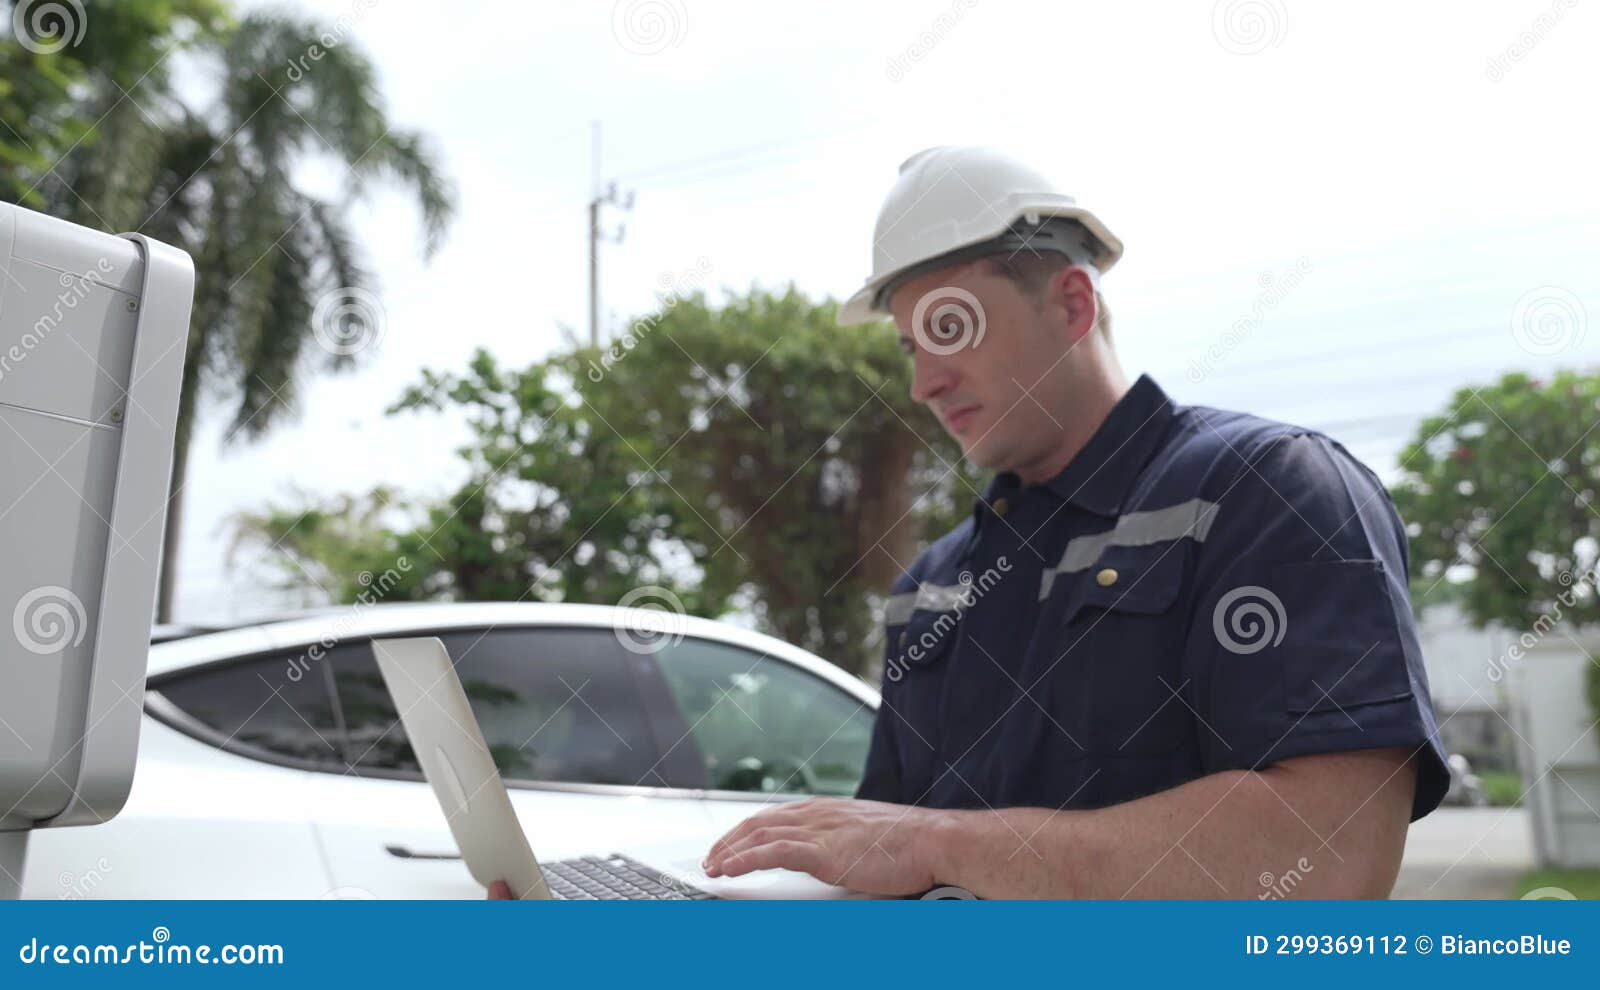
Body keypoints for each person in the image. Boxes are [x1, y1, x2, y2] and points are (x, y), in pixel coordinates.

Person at [696, 146, 1449, 898]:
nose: (925, 382)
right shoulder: (930, 588)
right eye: (909, 347)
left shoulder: (1267, 492)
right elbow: (889, 863)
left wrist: (940, 842)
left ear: (1072, 305)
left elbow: (1330, 859)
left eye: (950, 329)